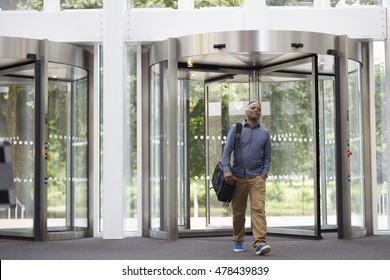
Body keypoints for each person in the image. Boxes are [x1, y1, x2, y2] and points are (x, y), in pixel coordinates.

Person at [221, 100, 272, 255]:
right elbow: (226, 152)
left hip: (257, 178)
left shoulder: (264, 133)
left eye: (258, 109)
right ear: (246, 111)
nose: (256, 110)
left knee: (258, 210)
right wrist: (226, 171)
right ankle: (238, 240)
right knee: (238, 212)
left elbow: (268, 157)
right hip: (237, 178)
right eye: (253, 108)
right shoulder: (236, 129)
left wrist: (264, 174)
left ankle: (260, 243)